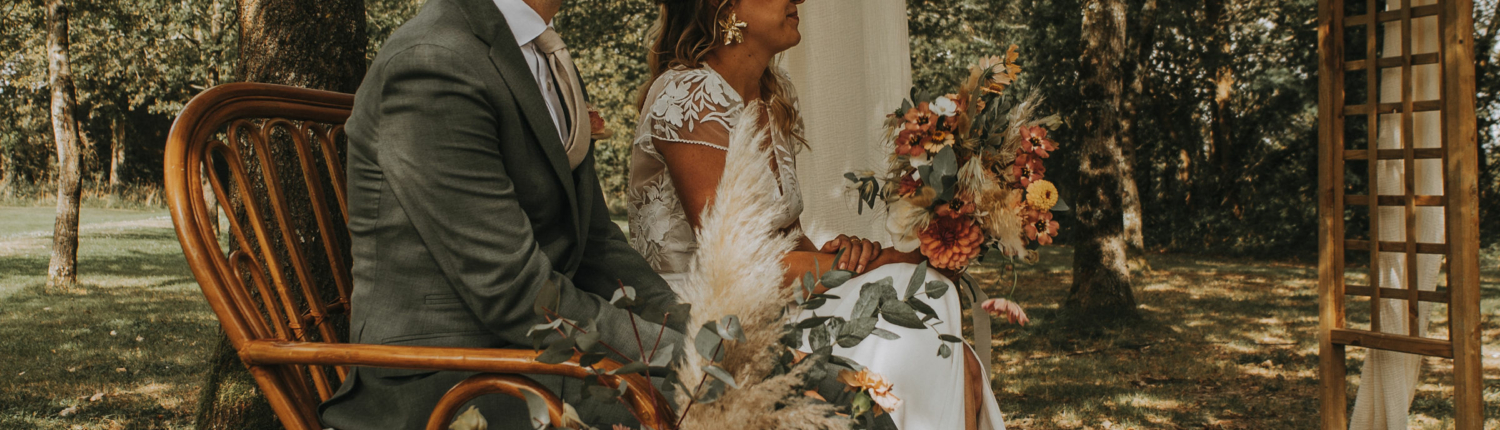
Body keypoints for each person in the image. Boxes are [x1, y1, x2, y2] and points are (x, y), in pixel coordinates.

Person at [627, 0, 1022, 428]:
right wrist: (877, 262)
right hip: (706, 321)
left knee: (953, 352)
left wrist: (844, 256)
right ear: (723, 7)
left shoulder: (771, 99)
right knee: (929, 310)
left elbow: (786, 240)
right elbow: (738, 266)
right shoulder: (688, 94)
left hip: (773, 304)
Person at [318, 0, 683, 428]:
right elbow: (513, 290)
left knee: (735, 381)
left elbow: (597, 245)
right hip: (444, 379)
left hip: (531, 355)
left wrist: (693, 327)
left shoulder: (544, 55)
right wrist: (677, 355)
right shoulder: (434, 61)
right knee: (714, 401)